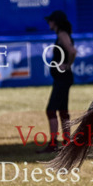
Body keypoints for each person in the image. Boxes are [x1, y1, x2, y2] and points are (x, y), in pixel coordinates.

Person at [40, 10, 77, 153]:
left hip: (62, 78)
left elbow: (72, 51)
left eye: (50, 20)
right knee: (63, 111)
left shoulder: (62, 34)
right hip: (62, 78)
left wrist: (67, 65)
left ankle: (53, 144)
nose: (48, 23)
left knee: (51, 110)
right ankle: (67, 143)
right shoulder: (62, 34)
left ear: (55, 22)